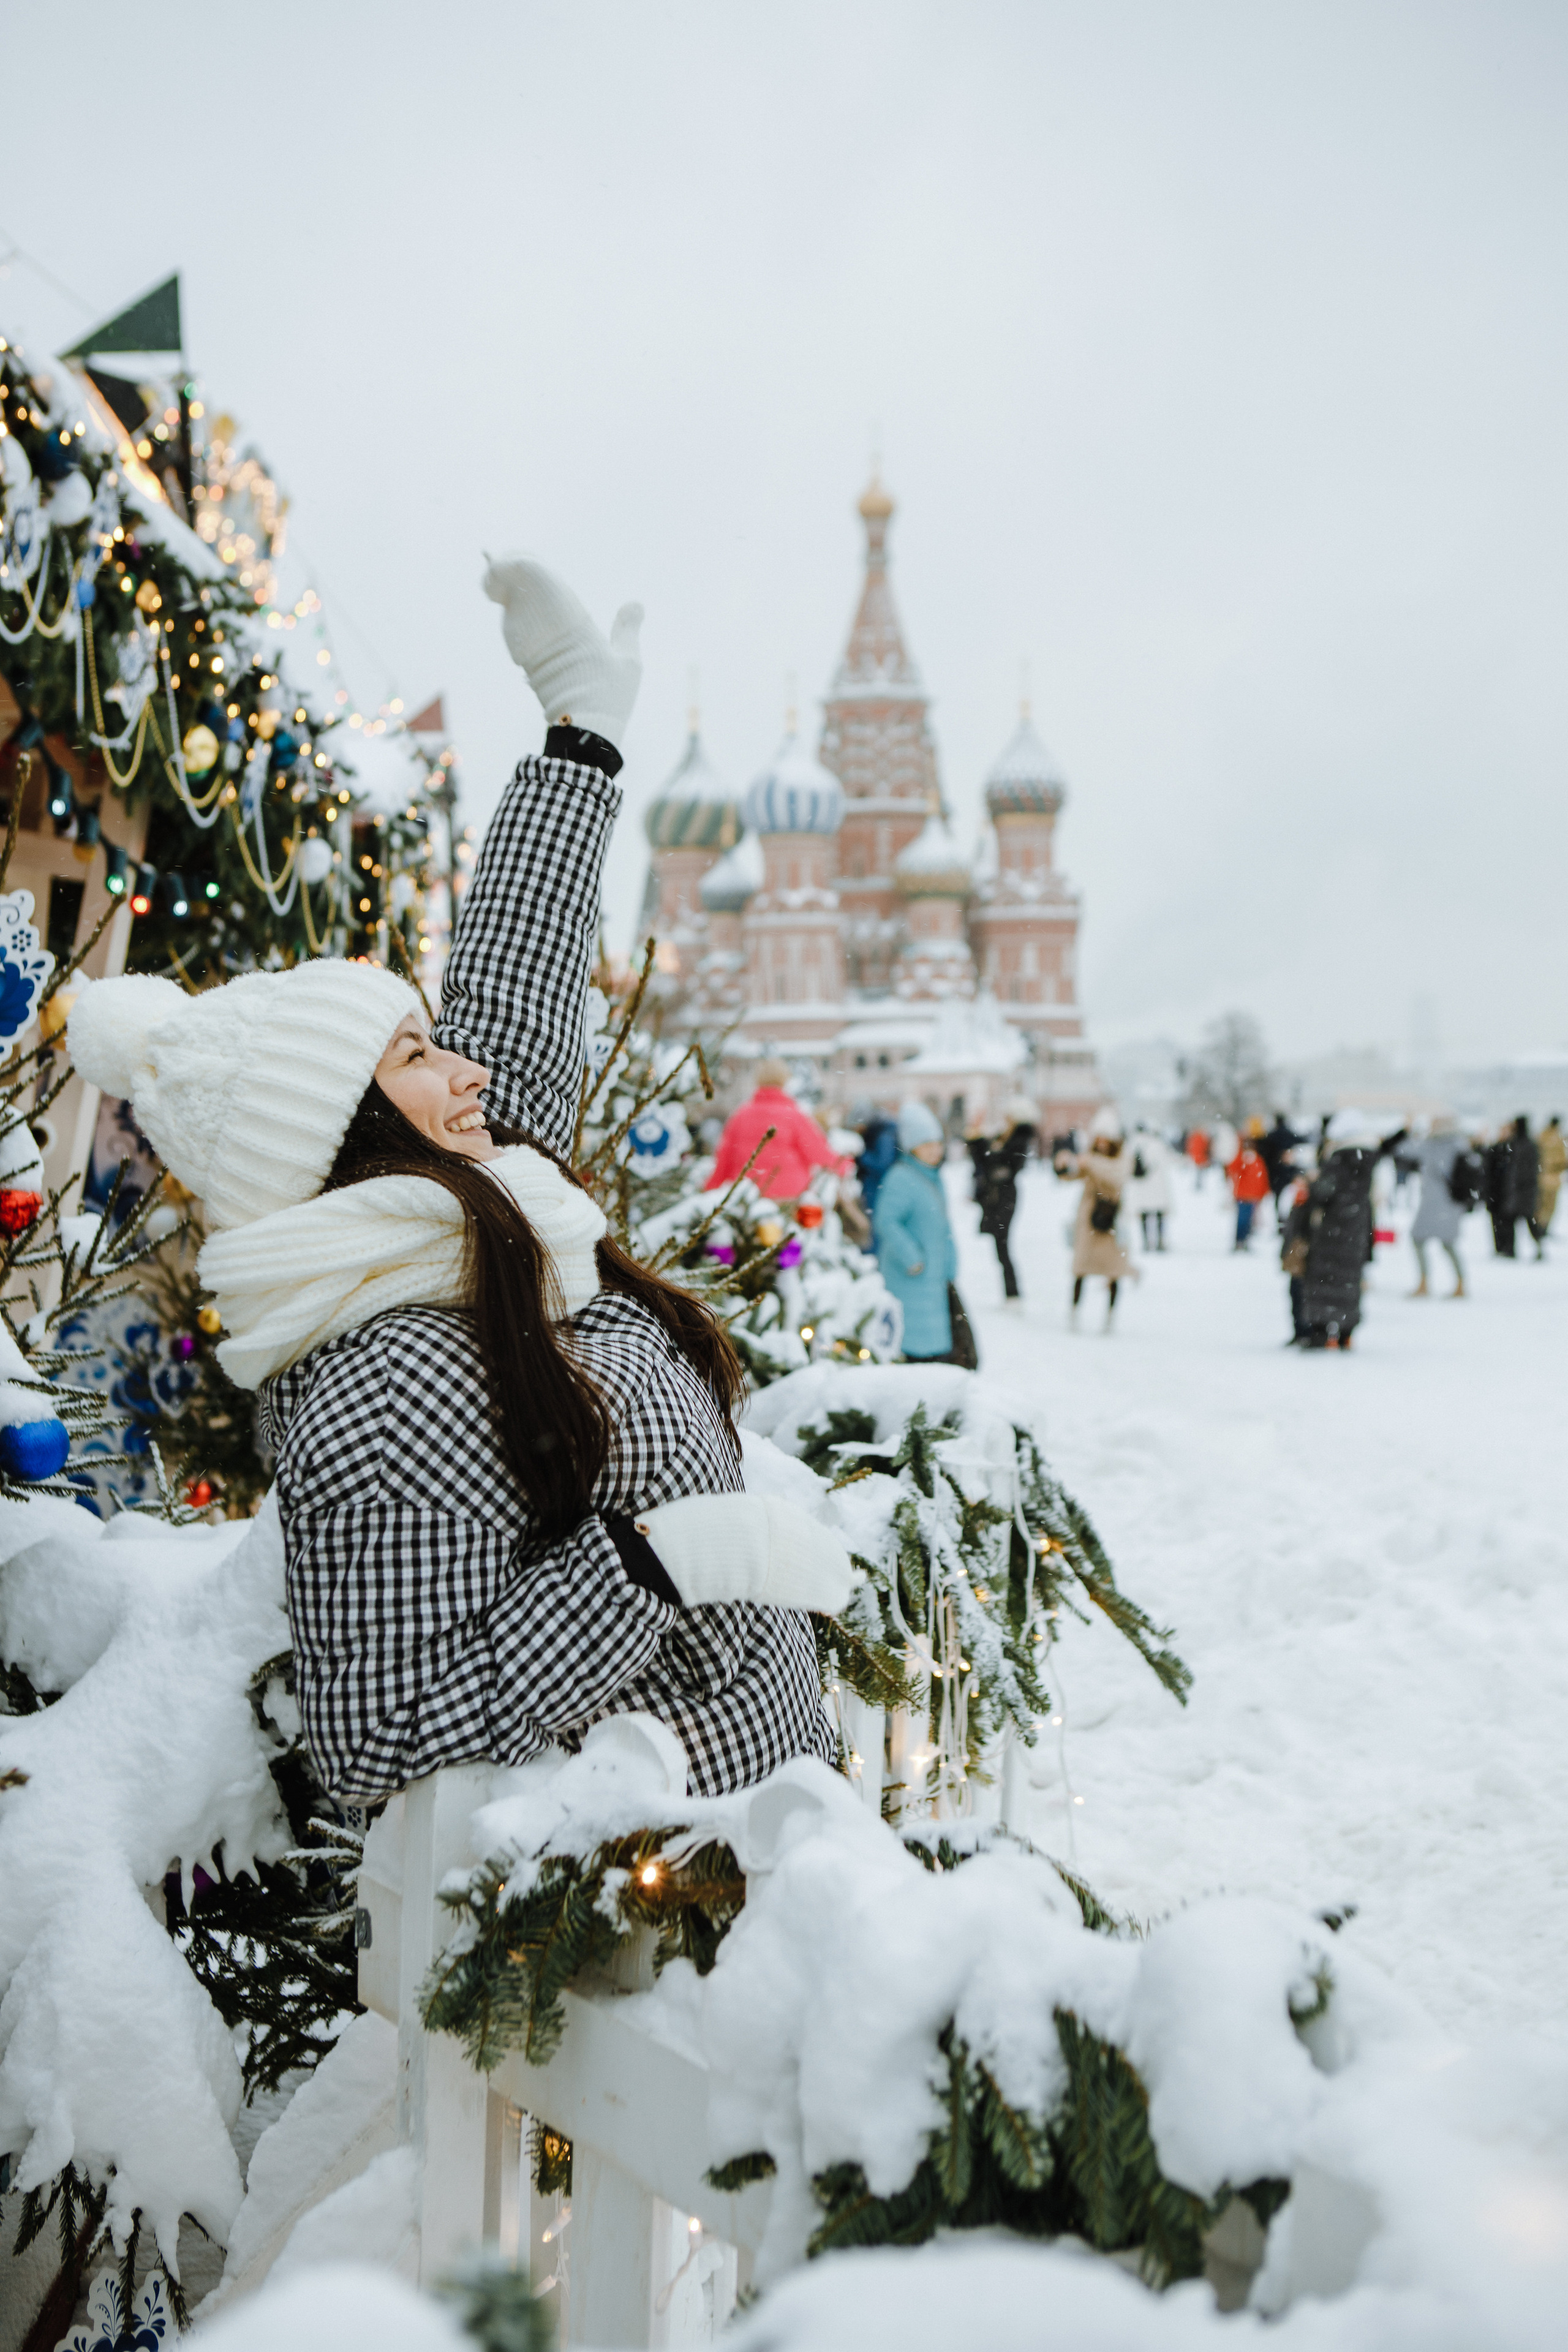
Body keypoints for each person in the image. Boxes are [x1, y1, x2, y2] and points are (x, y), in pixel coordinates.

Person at [69, 557, 850, 1804]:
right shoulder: (383, 1381)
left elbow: (516, 993)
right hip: (637, 1928)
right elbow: (378, 1738)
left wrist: (578, 740)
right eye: (418, 1057)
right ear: (347, 1129)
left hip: (762, 1831)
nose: (469, 1073)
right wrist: (646, 1568)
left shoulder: (480, 1218)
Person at [1292, 1109, 1403, 1349]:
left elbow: (1324, 1193)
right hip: (1358, 1229)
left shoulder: (1338, 1159)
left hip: (1331, 1230)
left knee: (1324, 1279)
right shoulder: (1368, 1156)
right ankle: (1346, 1332)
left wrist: (1311, 1184)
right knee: (1350, 1280)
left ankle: (1321, 1331)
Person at [873, 1102, 965, 1363]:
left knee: (933, 1343)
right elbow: (886, 1221)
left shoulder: (933, 1177)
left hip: (932, 1277)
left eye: (938, 1143)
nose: (935, 1150)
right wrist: (912, 1258)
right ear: (912, 1147)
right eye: (927, 1144)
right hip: (908, 1277)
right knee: (911, 1343)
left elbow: (942, 1226)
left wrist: (950, 1260)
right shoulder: (901, 1177)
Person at [704, 1059, 852, 1202]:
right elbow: (818, 1152)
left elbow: (725, 1159)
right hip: (791, 1195)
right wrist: (844, 1166)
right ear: (784, 1080)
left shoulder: (740, 1116)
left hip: (749, 1197)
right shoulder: (794, 1115)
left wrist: (710, 1188)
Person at [1055, 1118, 1131, 1330]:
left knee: (1114, 1271)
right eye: (1098, 1138)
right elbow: (1072, 1174)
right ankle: (1074, 1313)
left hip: (1112, 1220)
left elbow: (1117, 1177)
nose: (1101, 1143)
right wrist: (1062, 1165)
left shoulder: (1122, 1158)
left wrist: (1091, 1163)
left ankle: (1110, 1317)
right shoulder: (1091, 1158)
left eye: (1105, 1139)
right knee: (1080, 1269)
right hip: (1088, 1220)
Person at [965, 1096, 1036, 1303]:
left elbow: (999, 1162)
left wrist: (986, 1147)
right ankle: (1011, 1291)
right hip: (997, 1196)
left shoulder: (1017, 1139)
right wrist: (976, 1133)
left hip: (1004, 1197)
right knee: (1001, 1245)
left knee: (1003, 1244)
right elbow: (983, 1156)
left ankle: (1013, 1292)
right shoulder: (1005, 1137)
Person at [1406, 1114, 1470, 1298]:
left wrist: (1408, 1129)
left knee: (1418, 1239)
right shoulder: (1460, 1145)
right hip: (1451, 1204)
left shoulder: (1433, 1145)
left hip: (1434, 1203)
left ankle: (1424, 1283)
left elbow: (1406, 1150)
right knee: (1448, 1243)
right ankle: (1460, 1283)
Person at [1485, 1115, 1539, 1259]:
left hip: (1515, 1190)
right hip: (1515, 1190)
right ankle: (1510, 1248)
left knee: (1517, 1221)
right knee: (1520, 1221)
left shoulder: (1516, 1145)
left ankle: (1511, 1249)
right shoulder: (1523, 1144)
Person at [1126, 1123, 1172, 1252]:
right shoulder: (1157, 1144)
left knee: (1144, 1215)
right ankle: (1160, 1242)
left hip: (1142, 1186)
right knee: (1159, 1214)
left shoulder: (1133, 1144)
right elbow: (1166, 1162)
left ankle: (1146, 1242)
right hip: (1157, 1186)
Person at [1226, 1134, 1270, 1250]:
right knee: (1242, 1220)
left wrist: (1263, 1192)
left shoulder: (1257, 1160)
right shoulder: (1242, 1159)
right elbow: (1232, 1169)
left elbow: (1262, 1178)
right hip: (1242, 1196)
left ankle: (1244, 1241)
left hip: (1252, 1196)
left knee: (1249, 1221)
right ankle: (1240, 1241)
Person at [1259, 1110, 1303, 1226]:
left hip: (1276, 1172)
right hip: (1289, 1171)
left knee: (1279, 1198)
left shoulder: (1272, 1136)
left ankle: (1281, 1221)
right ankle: (1289, 1220)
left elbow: (1264, 1153)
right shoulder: (1290, 1134)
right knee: (1290, 1197)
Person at [856, 1107, 899, 1219]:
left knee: (878, 1220)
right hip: (876, 1187)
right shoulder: (878, 1133)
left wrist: (862, 1157)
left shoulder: (884, 1136)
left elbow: (882, 1164)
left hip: (879, 1188)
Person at [1534, 1115, 1565, 1254]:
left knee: (1543, 1208)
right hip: (1552, 1178)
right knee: (1549, 1208)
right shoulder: (1556, 1139)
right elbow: (1561, 1160)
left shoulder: (1541, 1136)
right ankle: (1542, 1230)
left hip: (1543, 1178)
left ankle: (1541, 1230)